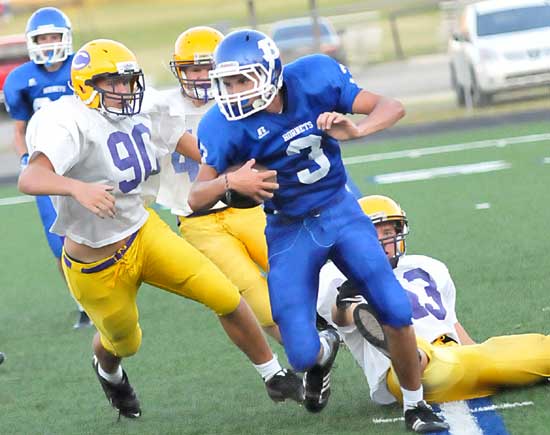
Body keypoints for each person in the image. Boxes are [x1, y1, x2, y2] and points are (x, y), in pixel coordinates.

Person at [18, 38, 303, 419]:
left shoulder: (143, 106)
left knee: (225, 294)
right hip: (95, 261)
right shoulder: (67, 120)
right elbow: (30, 176)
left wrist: (228, 171)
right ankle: (108, 370)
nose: (125, 90)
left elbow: (184, 143)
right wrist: (77, 188)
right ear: (86, 85)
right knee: (124, 341)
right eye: (113, 82)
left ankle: (274, 375)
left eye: (128, 80)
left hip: (143, 231)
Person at [188, 29, 448, 432]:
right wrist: (229, 184)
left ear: (271, 73)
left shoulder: (315, 77)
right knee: (300, 354)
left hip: (340, 210)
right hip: (289, 229)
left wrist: (357, 130)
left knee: (394, 308)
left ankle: (415, 406)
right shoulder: (222, 125)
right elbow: (195, 197)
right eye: (227, 82)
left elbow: (390, 106)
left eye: (243, 80)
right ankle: (325, 349)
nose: (233, 92)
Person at [318, 194, 550, 406]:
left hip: (453, 357)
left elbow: (453, 325)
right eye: (372, 234)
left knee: (525, 351)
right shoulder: (341, 275)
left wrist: (482, 356)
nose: (382, 243)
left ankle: (448, 362)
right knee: (419, 353)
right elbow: (346, 315)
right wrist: (349, 304)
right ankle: (404, 352)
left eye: (388, 234)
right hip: (404, 373)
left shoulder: (428, 266)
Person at [154, 26, 281, 342]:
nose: (199, 77)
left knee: (299, 275)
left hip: (249, 208)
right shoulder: (159, 109)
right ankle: (311, 359)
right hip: (199, 221)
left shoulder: (242, 100)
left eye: (207, 68)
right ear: (179, 70)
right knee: (261, 304)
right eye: (192, 69)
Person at [3, 6, 91, 329]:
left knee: (102, 229)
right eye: (42, 38)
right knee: (59, 242)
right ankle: (82, 302)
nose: (49, 43)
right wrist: (27, 159)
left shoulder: (82, 68)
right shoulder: (20, 79)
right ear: (31, 41)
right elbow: (19, 129)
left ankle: (110, 289)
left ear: (66, 37)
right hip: (47, 168)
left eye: (54, 36)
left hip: (85, 161)